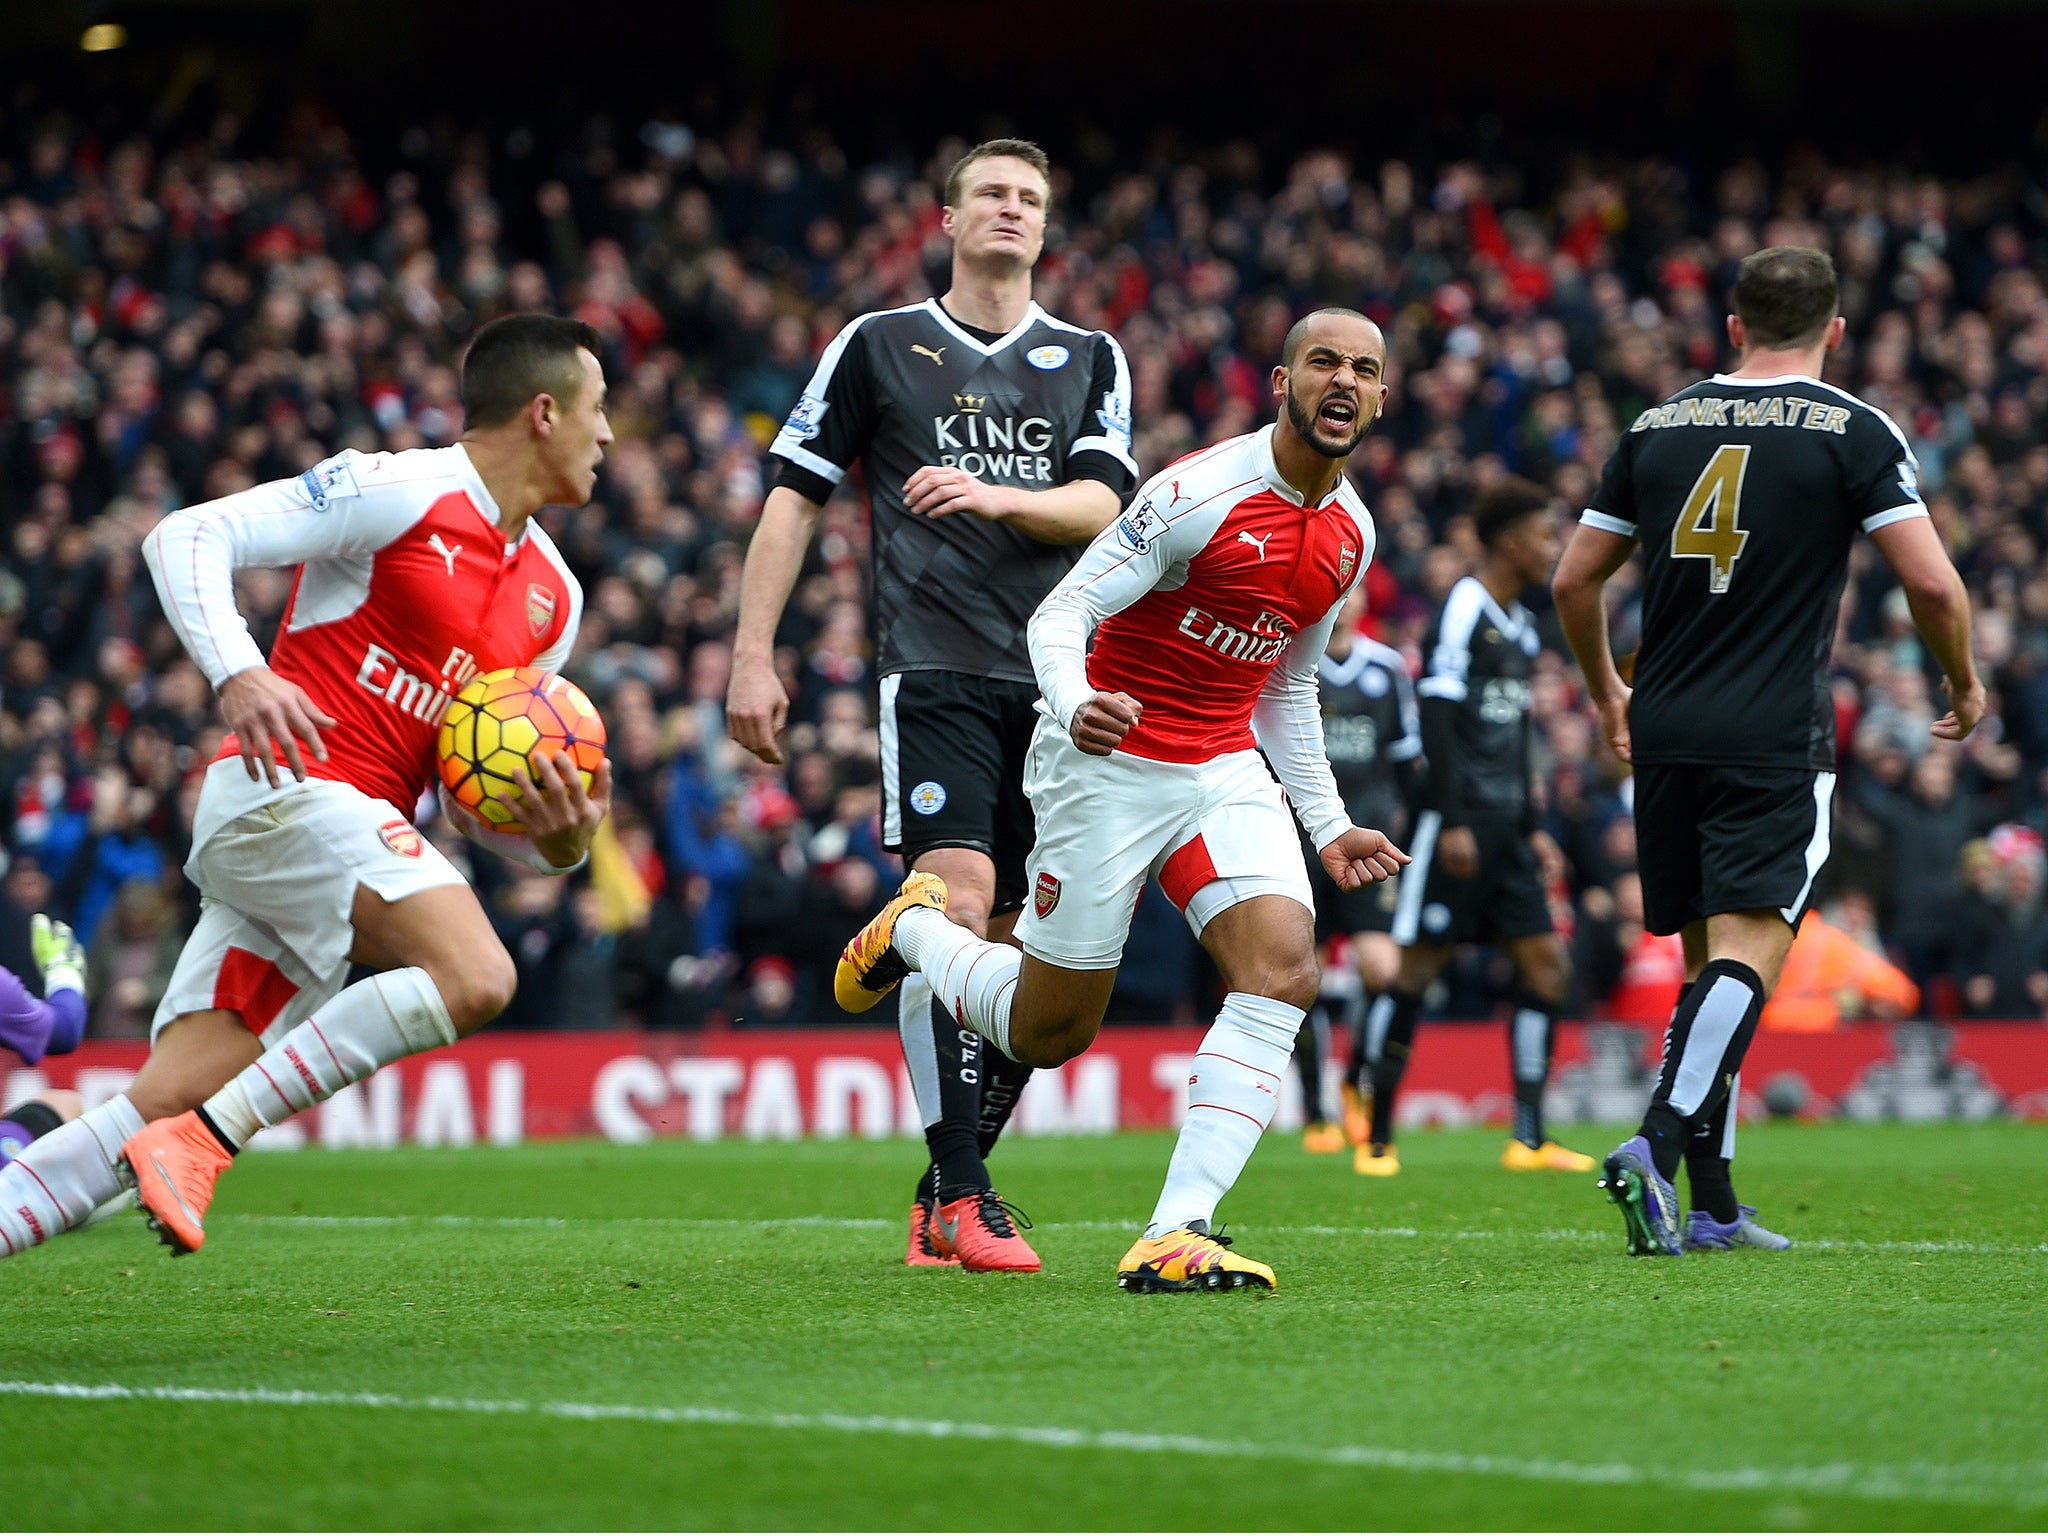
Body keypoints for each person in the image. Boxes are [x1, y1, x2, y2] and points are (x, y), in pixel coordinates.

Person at [0, 313, 614, 1260]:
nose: (609, 436)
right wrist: (239, 672)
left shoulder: (555, 597)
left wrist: (561, 842)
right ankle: (206, 1147)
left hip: (338, 842)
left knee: (156, 1102)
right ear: (544, 412)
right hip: (284, 797)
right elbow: (186, 536)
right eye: (599, 408)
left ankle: (156, 1144)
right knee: (478, 974)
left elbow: (467, 800)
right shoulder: (397, 488)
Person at [837, 308, 1408, 1293]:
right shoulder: (1195, 492)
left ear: (1381, 397)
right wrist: (1075, 703)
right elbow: (1063, 616)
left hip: (1220, 766)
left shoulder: (1348, 535)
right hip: (1103, 755)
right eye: (1322, 363)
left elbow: (1285, 684)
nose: (1342, 381)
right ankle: (916, 936)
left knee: (1281, 970)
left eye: (1362, 368)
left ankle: (1177, 1229)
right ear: (1281, 382)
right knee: (1048, 1033)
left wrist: (1327, 823)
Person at [728, 139, 1135, 1274]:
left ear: (1045, 230)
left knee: (1026, 964)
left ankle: (938, 1187)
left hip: (1060, 683)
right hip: (935, 666)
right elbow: (793, 497)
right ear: (947, 216)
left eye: (1030, 200)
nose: (1011, 210)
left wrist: (991, 493)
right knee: (959, 901)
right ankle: (961, 1191)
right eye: (992, 194)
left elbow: (1104, 503)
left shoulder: (1091, 356)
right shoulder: (873, 346)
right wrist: (751, 654)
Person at [1553, 245, 1984, 1256]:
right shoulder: (1850, 429)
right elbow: (1928, 585)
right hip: (1770, 732)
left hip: (1661, 726)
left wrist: (1605, 689)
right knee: (1751, 955)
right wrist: (1961, 679)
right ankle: (1653, 1148)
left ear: (1732, 326)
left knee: (1708, 968)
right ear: (1833, 332)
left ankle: (1708, 1206)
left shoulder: (1655, 424)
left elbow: (1574, 582)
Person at [1356, 478, 1595, 1177]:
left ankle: (1528, 1137)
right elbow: (1438, 714)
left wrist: (1533, 824)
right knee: (1418, 968)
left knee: (1547, 967)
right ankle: (1376, 1136)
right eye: (1545, 534)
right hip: (1457, 827)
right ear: (1511, 541)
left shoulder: (1519, 622)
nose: (1554, 546)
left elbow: (1513, 737)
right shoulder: (1464, 606)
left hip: (1509, 830)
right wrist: (1450, 818)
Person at [1279, 587, 1423, 1156]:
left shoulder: (1386, 669)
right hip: (1299, 842)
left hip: (1367, 840)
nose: (1347, 601)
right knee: (1300, 974)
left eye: (1357, 591)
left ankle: (1356, 1079)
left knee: (1383, 970)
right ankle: (1317, 1111)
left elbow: (1406, 756)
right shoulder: (1289, 658)